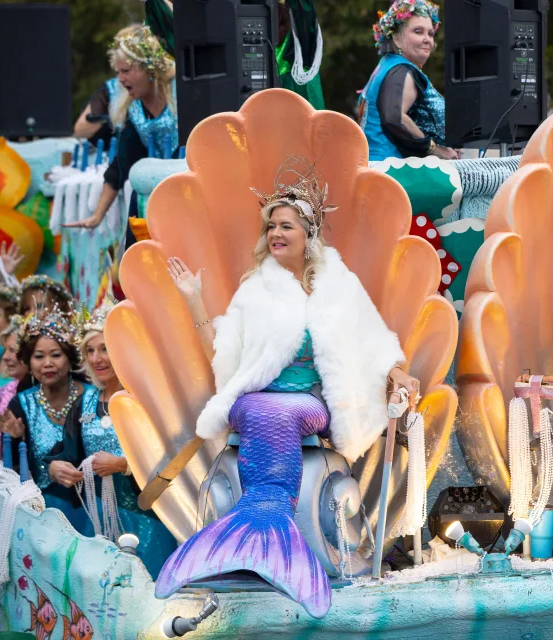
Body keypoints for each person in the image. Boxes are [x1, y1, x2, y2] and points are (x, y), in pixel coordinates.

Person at [153, 159, 419, 618]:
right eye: (271, 226)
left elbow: (375, 340)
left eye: (286, 226)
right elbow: (223, 351)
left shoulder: (340, 286)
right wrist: (193, 298)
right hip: (255, 401)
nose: (275, 233)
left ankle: (266, 536)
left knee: (281, 412)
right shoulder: (254, 290)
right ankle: (260, 535)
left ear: (308, 233)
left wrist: (398, 372)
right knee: (259, 409)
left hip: (310, 403)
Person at [50, 302, 177, 576]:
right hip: (98, 524)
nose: (97, 358)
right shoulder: (83, 403)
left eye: (105, 348)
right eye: (90, 351)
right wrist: (56, 466)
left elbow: (172, 457)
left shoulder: (145, 399)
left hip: (148, 521)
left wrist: (123, 465)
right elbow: (65, 452)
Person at [66, 24, 177, 231]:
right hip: (154, 199)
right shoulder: (134, 110)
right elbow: (121, 164)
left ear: (149, 68)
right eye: (118, 72)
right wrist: (97, 216)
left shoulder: (182, 94)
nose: (120, 79)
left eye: (126, 71)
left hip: (186, 194)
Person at [0, 310, 92, 537]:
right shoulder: (21, 404)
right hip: (42, 514)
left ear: (70, 358)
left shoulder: (92, 397)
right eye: (39, 357)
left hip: (92, 507)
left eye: (56, 355)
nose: (47, 364)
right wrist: (15, 438)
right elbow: (14, 472)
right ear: (28, 362)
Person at [359, 0, 458, 161]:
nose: (427, 39)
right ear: (396, 38)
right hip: (390, 169)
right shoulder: (401, 70)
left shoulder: (386, 66)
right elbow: (395, 118)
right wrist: (435, 149)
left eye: (430, 33)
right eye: (418, 31)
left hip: (375, 166)